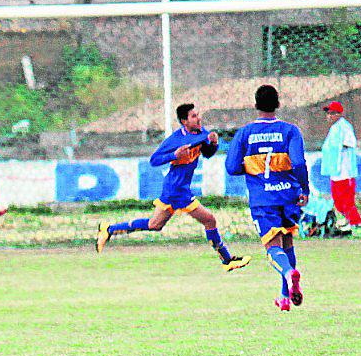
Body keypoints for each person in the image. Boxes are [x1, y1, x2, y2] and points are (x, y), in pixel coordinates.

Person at [95, 102, 250, 272]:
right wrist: (174, 155)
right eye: (193, 116)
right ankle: (228, 260)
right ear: (184, 121)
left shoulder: (201, 133)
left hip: (174, 188)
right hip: (178, 191)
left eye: (198, 114)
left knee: (155, 224)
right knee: (209, 220)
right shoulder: (176, 140)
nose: (198, 118)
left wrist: (213, 144)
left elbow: (207, 154)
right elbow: (154, 160)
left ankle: (109, 229)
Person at [225, 84, 310, 312]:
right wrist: (305, 189)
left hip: (263, 200)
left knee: (273, 248)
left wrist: (253, 165)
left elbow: (232, 167)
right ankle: (284, 296)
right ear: (278, 104)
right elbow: (299, 163)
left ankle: (288, 273)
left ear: (256, 105)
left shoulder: (244, 133)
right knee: (287, 244)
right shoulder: (290, 131)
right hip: (288, 196)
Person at [320, 100, 361, 229]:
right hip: (335, 171)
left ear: (338, 114)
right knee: (338, 201)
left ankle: (354, 222)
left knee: (347, 200)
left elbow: (350, 143)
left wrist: (338, 146)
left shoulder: (344, 127)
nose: (329, 116)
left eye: (332, 113)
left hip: (345, 171)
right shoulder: (334, 128)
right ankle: (348, 219)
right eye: (328, 114)